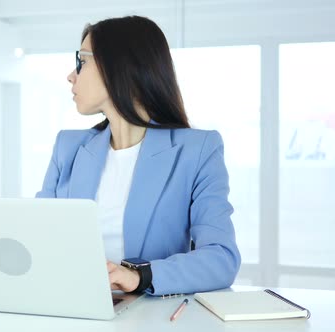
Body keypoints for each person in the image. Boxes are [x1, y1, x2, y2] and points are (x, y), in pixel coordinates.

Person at [36, 16, 241, 296]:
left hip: (149, 316)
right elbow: (37, 238)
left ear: (118, 67)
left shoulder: (198, 150)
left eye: (82, 61)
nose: (72, 75)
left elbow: (221, 259)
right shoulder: (68, 147)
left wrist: (138, 276)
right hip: (69, 305)